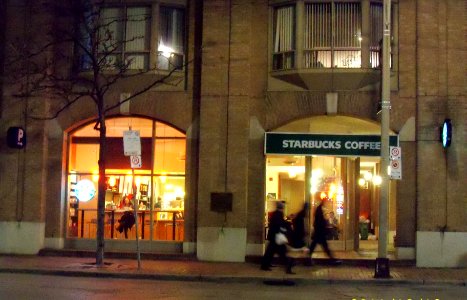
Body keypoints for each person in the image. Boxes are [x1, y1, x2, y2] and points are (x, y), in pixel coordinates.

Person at [260, 201, 294, 274]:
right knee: (280, 253)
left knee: (270, 252)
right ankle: (288, 266)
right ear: (282, 208)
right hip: (276, 236)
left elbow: (278, 223)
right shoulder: (279, 214)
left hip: (274, 236)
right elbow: (280, 223)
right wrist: (287, 225)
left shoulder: (275, 213)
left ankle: (265, 265)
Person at [308, 198, 341, 265]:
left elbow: (317, 222)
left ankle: (308, 259)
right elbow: (320, 222)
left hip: (318, 232)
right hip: (319, 233)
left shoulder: (318, 210)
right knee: (323, 247)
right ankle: (332, 260)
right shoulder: (320, 210)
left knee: (315, 246)